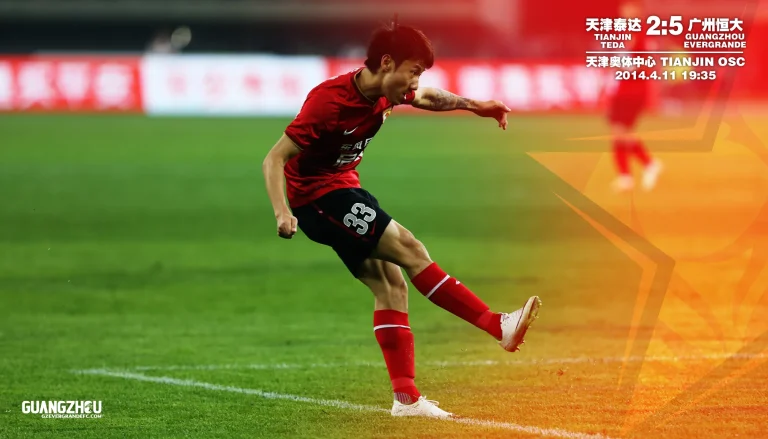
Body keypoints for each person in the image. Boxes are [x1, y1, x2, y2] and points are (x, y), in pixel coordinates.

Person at [262, 21, 541, 419]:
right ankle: (497, 325)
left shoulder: (388, 91)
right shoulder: (329, 102)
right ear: (387, 62)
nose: (415, 82)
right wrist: (282, 212)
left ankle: (406, 400)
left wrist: (476, 106)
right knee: (410, 248)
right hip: (319, 199)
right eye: (413, 70)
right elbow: (275, 158)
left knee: (391, 286)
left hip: (345, 189)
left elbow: (429, 97)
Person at [609, 0, 663, 192]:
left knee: (621, 131)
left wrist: (629, 68)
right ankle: (632, 173)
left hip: (633, 89)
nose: (624, 11)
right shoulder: (624, 32)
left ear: (636, 10)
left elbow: (648, 61)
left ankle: (639, 169)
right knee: (620, 131)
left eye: (628, 7)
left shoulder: (641, 32)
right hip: (623, 87)